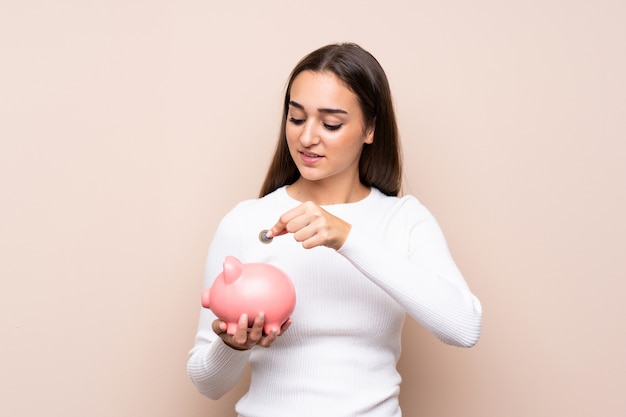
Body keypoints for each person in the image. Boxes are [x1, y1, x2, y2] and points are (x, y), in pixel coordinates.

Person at [187, 42, 482, 417]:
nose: (307, 138)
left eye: (331, 124)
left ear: (370, 128)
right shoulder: (247, 221)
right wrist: (234, 347)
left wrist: (347, 237)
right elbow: (206, 383)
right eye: (296, 119)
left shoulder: (404, 220)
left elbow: (463, 327)